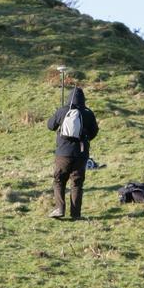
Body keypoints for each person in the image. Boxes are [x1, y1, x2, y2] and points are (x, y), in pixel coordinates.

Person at [47, 85, 98, 220]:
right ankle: (75, 214)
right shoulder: (88, 113)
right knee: (76, 183)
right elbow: (94, 132)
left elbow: (50, 125)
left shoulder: (63, 110)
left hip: (63, 153)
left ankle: (59, 209)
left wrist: (59, 114)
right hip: (81, 154)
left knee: (59, 180)